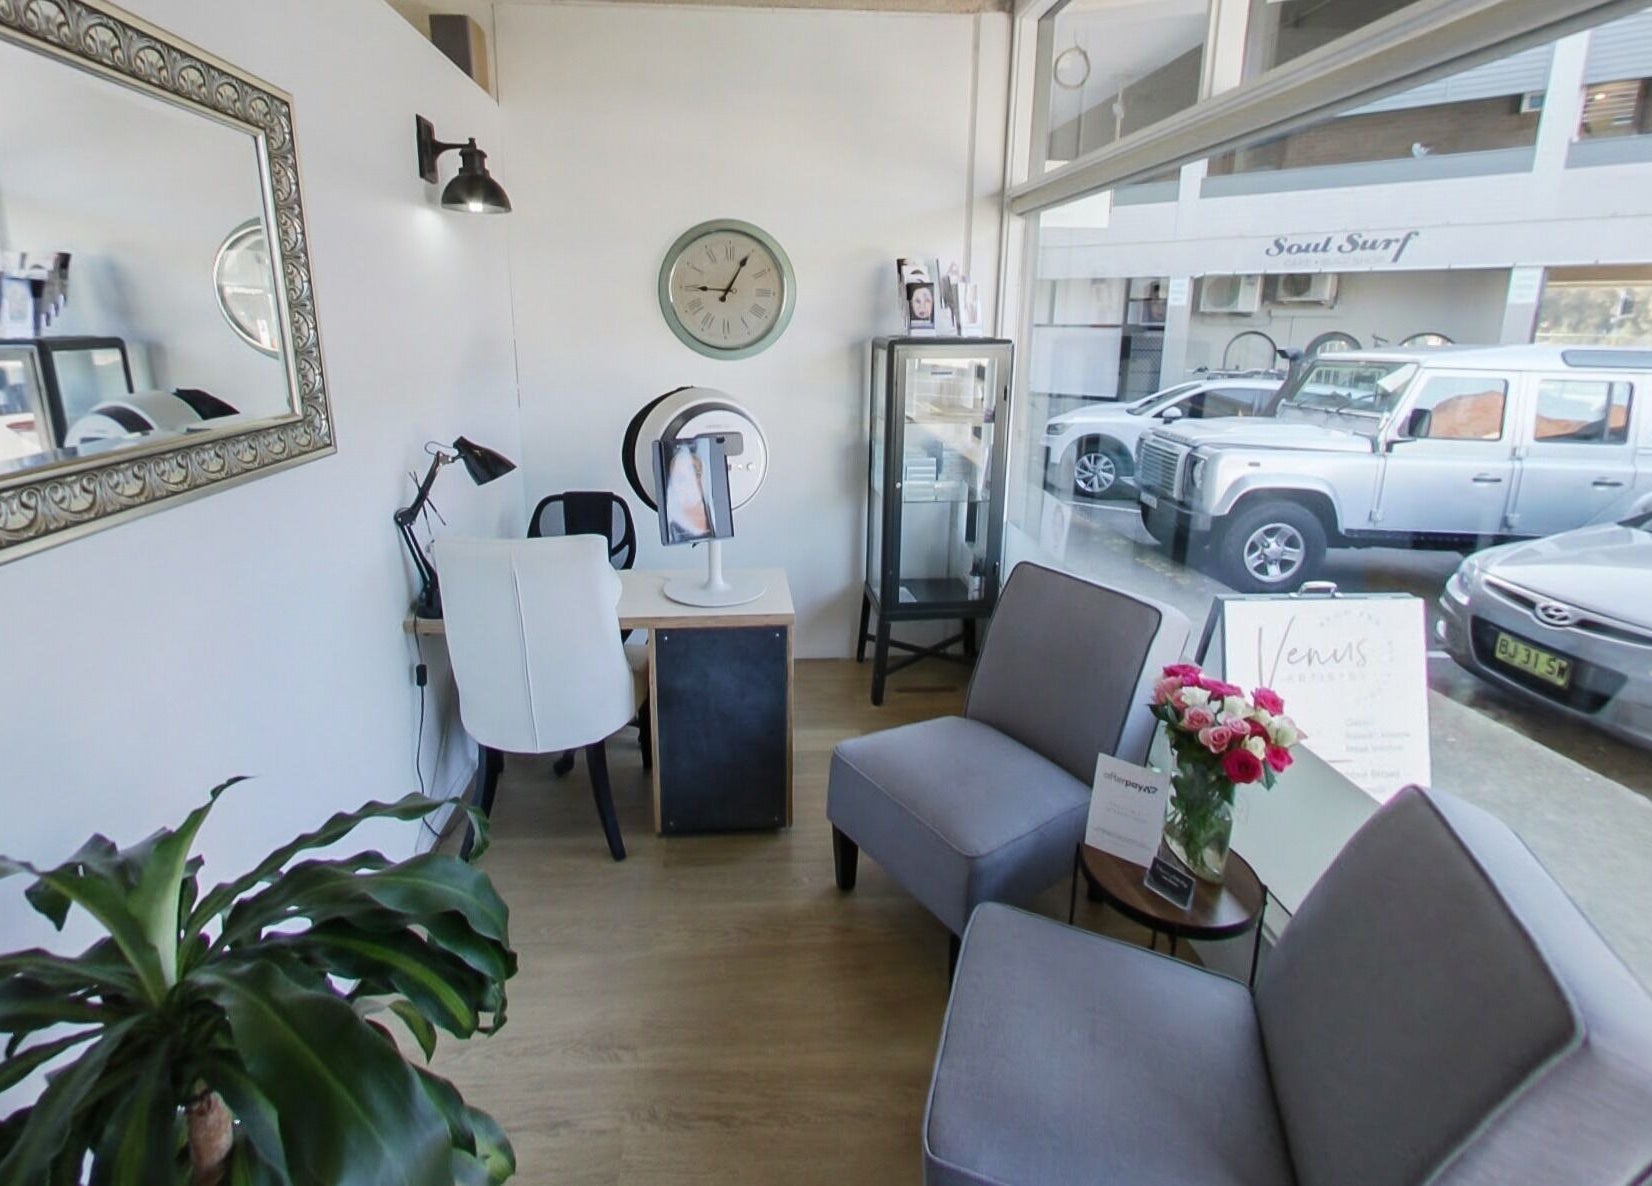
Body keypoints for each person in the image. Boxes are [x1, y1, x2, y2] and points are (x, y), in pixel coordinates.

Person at [664, 440, 714, 543]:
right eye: (681, 479)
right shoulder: (674, 529)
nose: (693, 482)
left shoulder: (715, 517)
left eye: (697, 474)